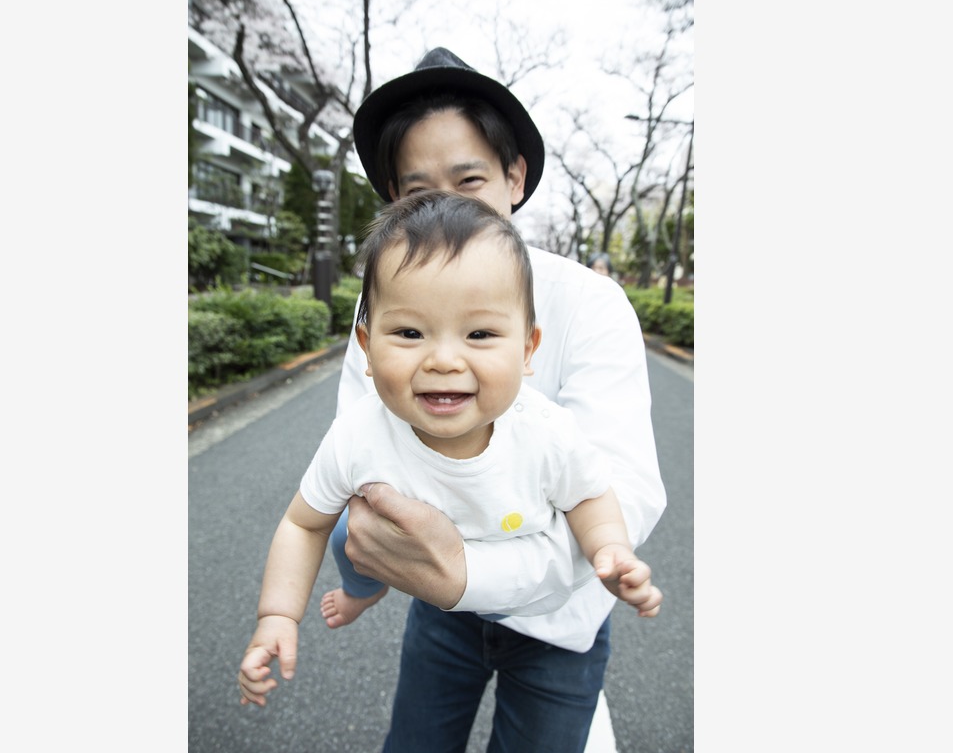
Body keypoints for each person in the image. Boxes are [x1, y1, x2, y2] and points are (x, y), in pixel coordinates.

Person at [269, 48, 666, 752]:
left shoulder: (591, 303)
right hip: (438, 607)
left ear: (515, 177)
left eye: (470, 180)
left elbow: (620, 496)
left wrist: (467, 572)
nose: (444, 208)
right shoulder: (385, 306)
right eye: (417, 192)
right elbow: (361, 469)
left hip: (561, 621)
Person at [238, 191, 663, 710]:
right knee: (347, 532)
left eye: (479, 333)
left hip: (554, 622)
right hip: (440, 609)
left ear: (528, 349)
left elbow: (589, 496)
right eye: (410, 332)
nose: (443, 359)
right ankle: (363, 590)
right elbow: (304, 523)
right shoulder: (359, 434)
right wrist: (277, 615)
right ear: (366, 349)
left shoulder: (547, 433)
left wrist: (610, 549)